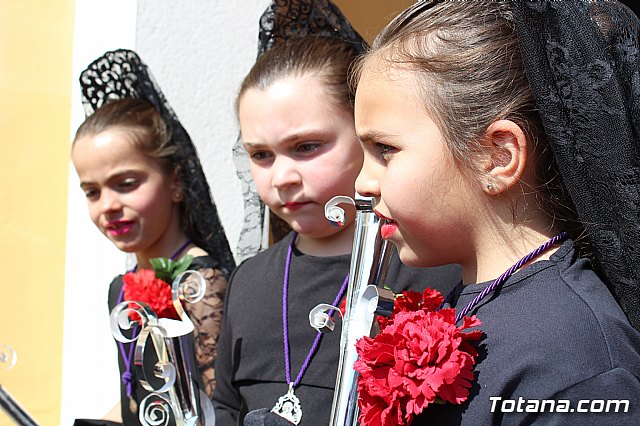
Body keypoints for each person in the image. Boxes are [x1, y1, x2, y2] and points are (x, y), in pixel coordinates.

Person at [352, 0, 640, 424]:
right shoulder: (472, 296)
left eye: (385, 151)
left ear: (497, 156)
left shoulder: (573, 361)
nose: (362, 183)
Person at [211, 7, 462, 425]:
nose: (282, 177)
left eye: (307, 146)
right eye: (260, 155)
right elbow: (226, 406)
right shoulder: (249, 280)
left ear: (365, 133)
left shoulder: (434, 270)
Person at [71, 49, 236, 425]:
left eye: (126, 184)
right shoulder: (121, 289)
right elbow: (135, 396)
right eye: (92, 192)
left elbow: (216, 409)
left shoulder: (202, 284)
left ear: (176, 180)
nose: (108, 205)